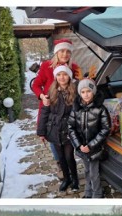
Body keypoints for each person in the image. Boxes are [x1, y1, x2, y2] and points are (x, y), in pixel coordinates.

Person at [31, 38, 80, 176]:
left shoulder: (74, 67)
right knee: (52, 136)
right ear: (56, 52)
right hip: (49, 108)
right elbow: (36, 85)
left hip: (67, 110)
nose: (65, 54)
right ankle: (60, 165)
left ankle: (70, 165)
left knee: (67, 138)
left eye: (68, 52)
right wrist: (41, 96)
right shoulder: (47, 66)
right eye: (62, 51)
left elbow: (79, 85)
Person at [67, 76, 110, 198]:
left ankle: (97, 193)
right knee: (86, 171)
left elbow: (105, 129)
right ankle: (88, 190)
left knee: (94, 173)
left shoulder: (100, 109)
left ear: (93, 92)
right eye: (83, 92)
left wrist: (91, 145)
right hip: (82, 148)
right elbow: (70, 127)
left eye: (89, 91)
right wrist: (79, 145)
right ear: (79, 93)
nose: (86, 95)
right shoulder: (76, 109)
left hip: (94, 148)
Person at [37, 64, 78, 192]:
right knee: (61, 157)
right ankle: (67, 179)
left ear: (69, 77)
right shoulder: (51, 92)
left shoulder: (75, 92)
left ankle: (75, 179)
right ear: (55, 77)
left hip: (69, 130)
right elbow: (45, 112)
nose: (62, 77)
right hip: (54, 129)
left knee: (69, 156)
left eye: (65, 74)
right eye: (59, 75)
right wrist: (42, 132)